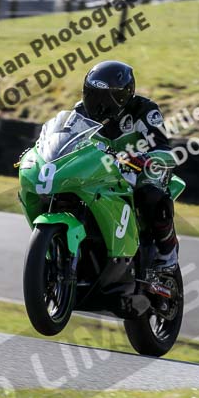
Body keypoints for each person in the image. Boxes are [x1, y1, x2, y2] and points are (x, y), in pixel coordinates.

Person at [74, 60, 178, 278]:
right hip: (97, 171)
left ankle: (167, 254)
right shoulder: (79, 112)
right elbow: (63, 141)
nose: (98, 102)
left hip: (135, 170)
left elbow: (164, 149)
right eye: (93, 94)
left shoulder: (144, 110)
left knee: (150, 193)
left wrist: (145, 159)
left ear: (124, 95)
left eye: (107, 96)